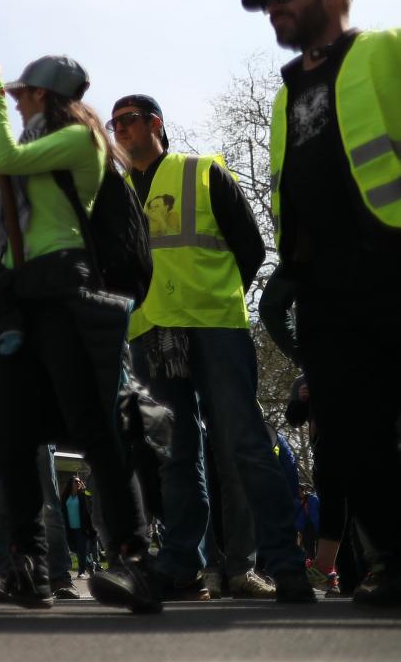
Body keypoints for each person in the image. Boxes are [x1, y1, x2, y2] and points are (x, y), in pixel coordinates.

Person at [0, 53, 160, 613]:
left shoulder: (82, 141)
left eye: (25, 94)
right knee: (14, 431)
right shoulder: (22, 145)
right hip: (17, 297)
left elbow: (5, 157)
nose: (17, 101)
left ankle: (134, 560)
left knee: (96, 428)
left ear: (47, 96)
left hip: (64, 286)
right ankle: (28, 565)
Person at [109, 92, 311, 603]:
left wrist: (220, 300)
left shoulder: (203, 171)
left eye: (127, 121)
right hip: (153, 333)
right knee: (176, 453)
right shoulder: (116, 194)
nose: (119, 131)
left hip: (214, 326)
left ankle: (284, 565)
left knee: (243, 443)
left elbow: (250, 246)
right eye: (113, 125)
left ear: (155, 123)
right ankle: (183, 566)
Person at [245, 0, 401, 608]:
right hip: (323, 284)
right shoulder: (284, 95)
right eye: (268, 2)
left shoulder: (383, 51)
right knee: (346, 432)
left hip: (389, 260)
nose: (275, 8)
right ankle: (393, 555)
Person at [60, 475, 97, 578]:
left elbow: (90, 507)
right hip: (70, 528)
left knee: (81, 550)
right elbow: (63, 511)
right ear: (71, 484)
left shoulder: (82, 495)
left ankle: (81, 571)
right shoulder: (65, 497)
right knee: (75, 549)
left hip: (82, 528)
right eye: (76, 482)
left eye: (79, 481)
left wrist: (86, 493)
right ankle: (90, 564)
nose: (78, 483)